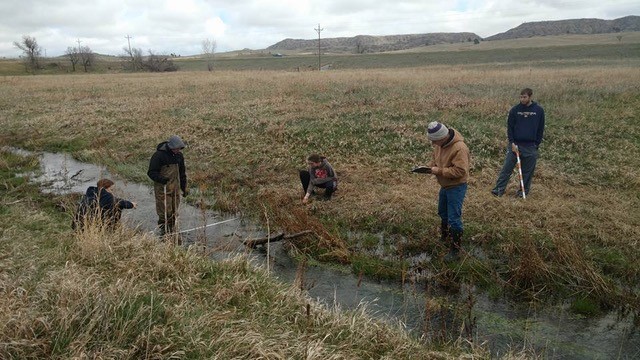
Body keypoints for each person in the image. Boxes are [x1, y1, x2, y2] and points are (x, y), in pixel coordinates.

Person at [426, 121, 470, 261]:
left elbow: (460, 171)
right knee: (442, 212)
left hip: (456, 187)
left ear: (442, 137)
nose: (433, 144)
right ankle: (444, 238)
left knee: (454, 219)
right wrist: (429, 167)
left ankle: (455, 250)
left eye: (434, 141)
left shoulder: (460, 148)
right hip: (445, 186)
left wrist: (438, 171)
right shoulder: (440, 145)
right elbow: (435, 159)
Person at [491, 88, 545, 198]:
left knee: (527, 173)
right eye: (520, 97)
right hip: (515, 145)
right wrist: (512, 142)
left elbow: (541, 128)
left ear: (530, 97)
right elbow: (510, 127)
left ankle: (522, 193)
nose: (522, 99)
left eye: (524, 97)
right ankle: (498, 190)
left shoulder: (539, 111)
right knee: (506, 168)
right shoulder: (515, 110)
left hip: (531, 147)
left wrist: (536, 144)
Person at [147, 135, 189, 235]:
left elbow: (182, 173)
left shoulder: (179, 156)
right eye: (176, 149)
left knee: (174, 212)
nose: (178, 150)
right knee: (165, 213)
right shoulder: (158, 156)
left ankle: (172, 231)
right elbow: (151, 172)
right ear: (170, 147)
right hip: (163, 190)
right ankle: (163, 233)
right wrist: (162, 180)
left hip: (175, 189)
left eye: (179, 148)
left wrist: (184, 188)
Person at [72, 178, 136, 230]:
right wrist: (131, 204)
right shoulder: (108, 196)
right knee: (118, 207)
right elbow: (120, 202)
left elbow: (115, 200)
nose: (112, 192)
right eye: (111, 189)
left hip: (77, 226)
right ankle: (112, 228)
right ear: (105, 189)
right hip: (89, 227)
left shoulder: (90, 193)